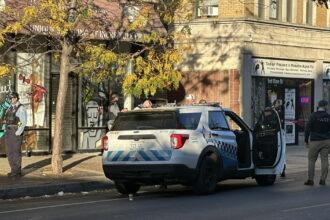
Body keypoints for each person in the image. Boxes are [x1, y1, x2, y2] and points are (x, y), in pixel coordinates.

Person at [304, 100, 330, 186]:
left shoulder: (313, 115)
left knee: (311, 160)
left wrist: (306, 140)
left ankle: (310, 180)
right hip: (326, 141)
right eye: (327, 105)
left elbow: (307, 128)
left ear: (318, 106)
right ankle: (323, 180)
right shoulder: (328, 116)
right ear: (325, 106)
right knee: (325, 160)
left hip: (315, 141)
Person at [4, 92, 27, 179]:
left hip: (15, 132)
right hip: (8, 132)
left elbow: (23, 122)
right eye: (10, 98)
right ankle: (13, 170)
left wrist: (18, 132)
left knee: (16, 152)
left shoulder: (21, 108)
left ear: (17, 98)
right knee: (9, 152)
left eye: (13, 98)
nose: (11, 100)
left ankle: (17, 172)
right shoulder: (9, 108)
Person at [272, 99, 286, 177]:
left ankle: (283, 169)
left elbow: (281, 118)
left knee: (282, 150)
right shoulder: (272, 111)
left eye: (279, 103)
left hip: (280, 132)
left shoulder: (280, 111)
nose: (279, 104)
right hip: (274, 132)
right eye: (277, 103)